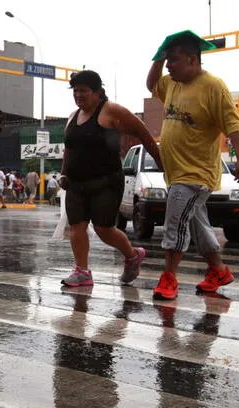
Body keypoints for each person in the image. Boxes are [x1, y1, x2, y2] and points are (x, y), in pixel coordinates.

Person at [146, 30, 239, 300]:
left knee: (175, 224)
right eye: (167, 60)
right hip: (177, 172)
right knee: (196, 224)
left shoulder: (214, 86)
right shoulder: (172, 83)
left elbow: (233, 125)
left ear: (193, 60)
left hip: (196, 173)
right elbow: (151, 84)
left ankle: (169, 278)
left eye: (174, 60)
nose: (169, 65)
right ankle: (218, 270)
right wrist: (158, 57)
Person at [59, 70, 163, 288]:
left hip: (106, 182)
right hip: (76, 183)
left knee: (103, 229)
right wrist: (64, 173)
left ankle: (132, 255)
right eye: (75, 91)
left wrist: (161, 162)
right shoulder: (72, 116)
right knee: (76, 225)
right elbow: (69, 149)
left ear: (97, 92)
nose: (78, 95)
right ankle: (82, 271)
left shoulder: (111, 111)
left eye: (84, 91)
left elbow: (143, 132)